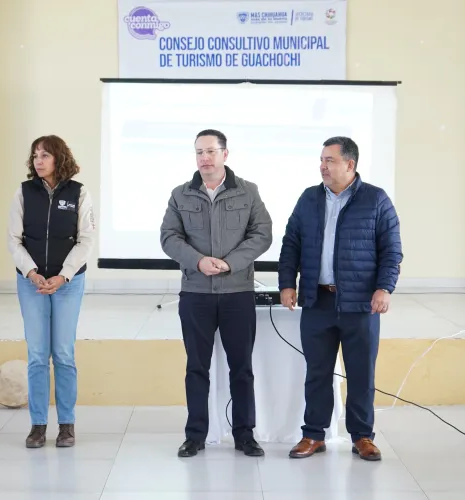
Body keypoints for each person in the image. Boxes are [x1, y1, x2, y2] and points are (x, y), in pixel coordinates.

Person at [277, 136, 402, 462]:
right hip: (317, 301)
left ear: (350, 164)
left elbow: (392, 250)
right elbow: (291, 243)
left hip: (361, 304)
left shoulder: (376, 199)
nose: (323, 166)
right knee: (317, 373)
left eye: (329, 160)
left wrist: (384, 288)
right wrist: (287, 284)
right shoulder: (309, 198)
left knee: (361, 374)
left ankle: (362, 437)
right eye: (321, 160)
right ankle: (313, 435)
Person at [160, 129, 272, 458]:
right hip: (196, 294)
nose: (204, 158)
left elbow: (262, 234)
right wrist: (198, 261)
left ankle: (245, 435)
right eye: (199, 152)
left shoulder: (248, 191)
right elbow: (169, 237)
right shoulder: (180, 194)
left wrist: (229, 264)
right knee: (197, 368)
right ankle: (195, 435)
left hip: (237, 292)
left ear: (225, 154)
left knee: (242, 368)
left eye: (210, 151)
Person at [7, 135, 96, 449]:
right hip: (31, 283)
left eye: (45, 155)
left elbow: (86, 240)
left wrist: (63, 275)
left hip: (67, 284)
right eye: (35, 156)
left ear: (59, 158)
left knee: (63, 354)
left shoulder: (79, 192)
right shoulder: (23, 192)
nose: (38, 161)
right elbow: (14, 240)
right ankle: (38, 425)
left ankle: (67, 425)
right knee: (36, 355)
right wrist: (31, 272)